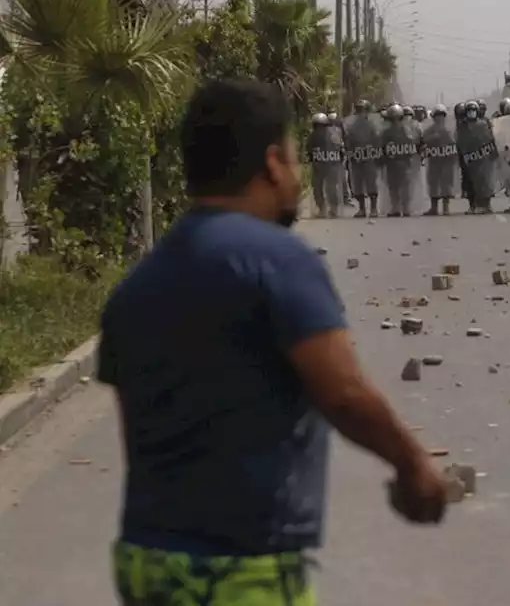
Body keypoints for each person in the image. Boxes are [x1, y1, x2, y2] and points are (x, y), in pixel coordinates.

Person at [97, 79, 453, 606]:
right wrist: (413, 466)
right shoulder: (277, 260)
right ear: (271, 164)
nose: (296, 175)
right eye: (293, 159)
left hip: (148, 561)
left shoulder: (135, 287)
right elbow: (344, 394)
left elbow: (138, 433)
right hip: (244, 570)